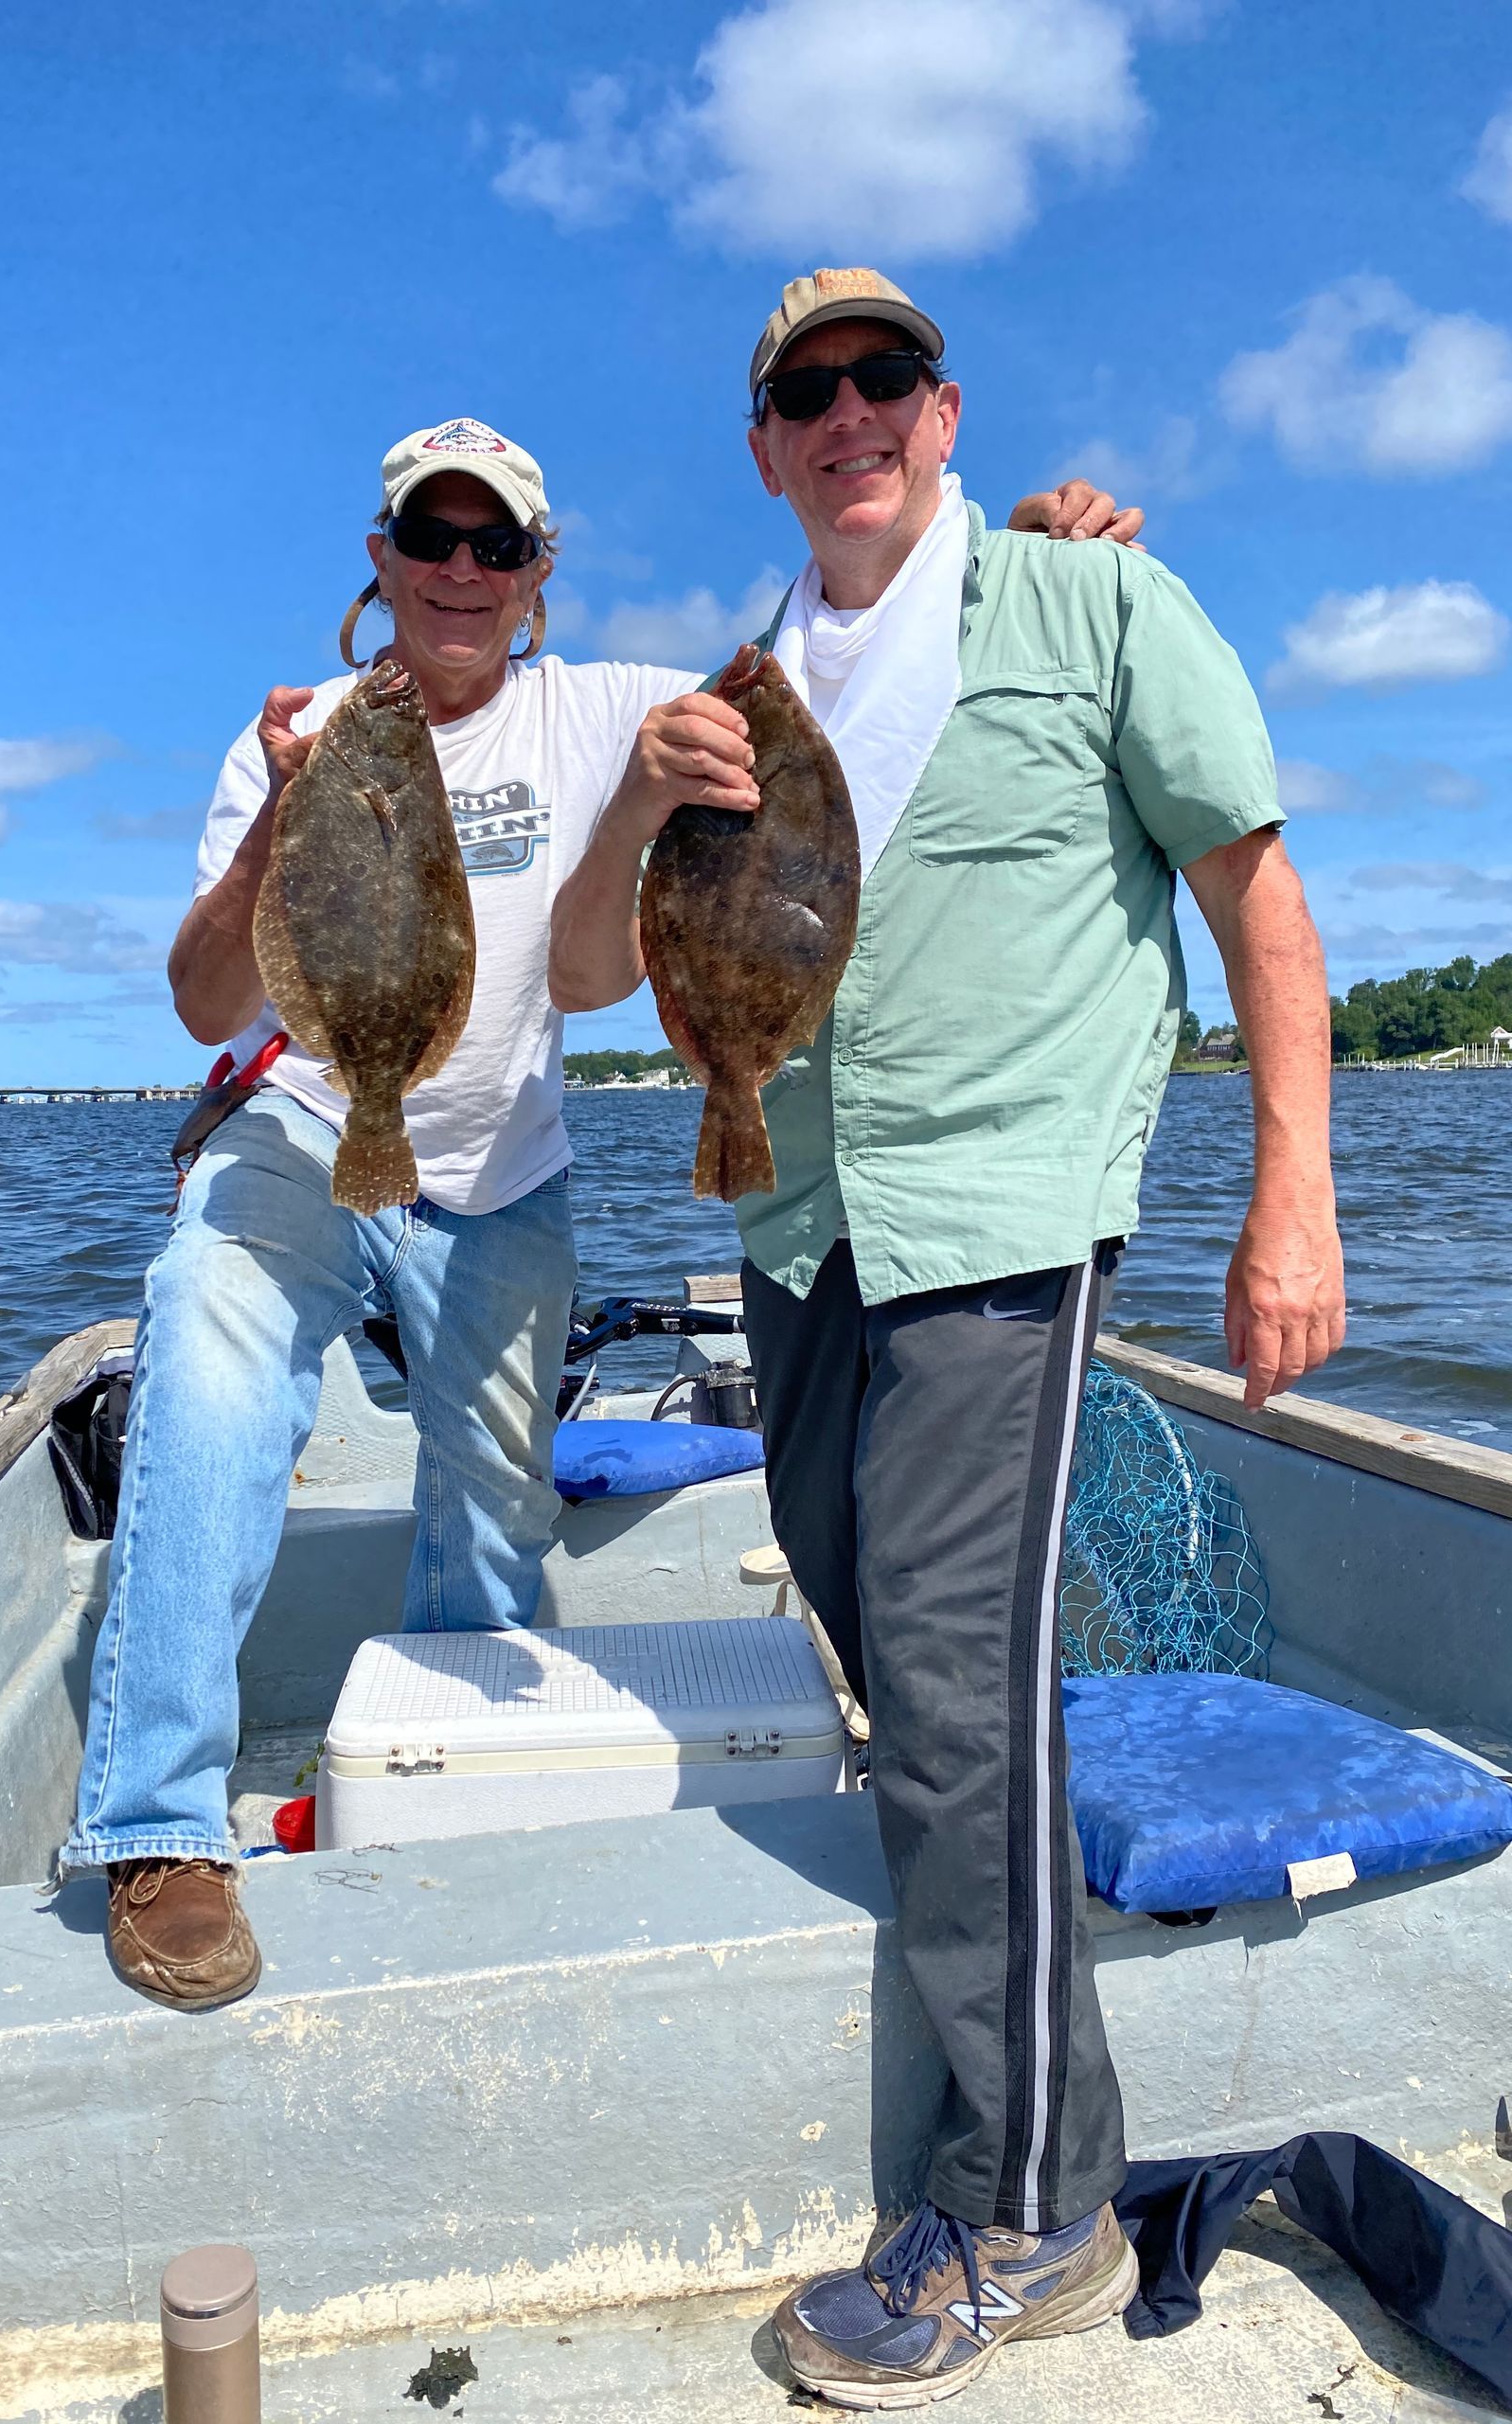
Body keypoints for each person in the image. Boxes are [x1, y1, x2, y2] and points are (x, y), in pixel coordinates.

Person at [60, 410, 1140, 2015]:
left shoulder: (614, 714)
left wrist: (1010, 565)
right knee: (210, 1380)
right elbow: (201, 999)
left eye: (496, 544)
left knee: (494, 1521)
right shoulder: (296, 739)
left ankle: (441, 1772)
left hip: (504, 1176)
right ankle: (155, 1825)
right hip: (307, 1132)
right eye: (432, 538)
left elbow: (831, 672)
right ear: (382, 563)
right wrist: (287, 813)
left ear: (537, 574)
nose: (461, 571)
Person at [549, 269, 1345, 2410]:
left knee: (952, 1659)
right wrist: (638, 798)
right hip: (794, 1222)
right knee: (891, 1639)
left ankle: (1029, 2205)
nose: (848, 414)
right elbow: (577, 964)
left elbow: (1256, 897)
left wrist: (1295, 1192)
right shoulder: (733, 689)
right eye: (804, 392)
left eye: (881, 377)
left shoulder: (1098, 605)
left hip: (1006, 1210)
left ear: (943, 403)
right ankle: (1031, 2078)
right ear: (765, 444)